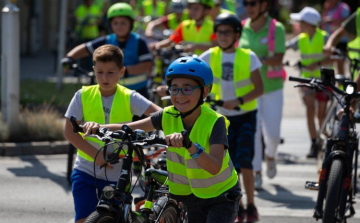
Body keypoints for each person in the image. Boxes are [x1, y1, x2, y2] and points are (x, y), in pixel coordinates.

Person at [82, 56, 242, 223]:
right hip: (189, 196)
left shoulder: (215, 122)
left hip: (220, 197)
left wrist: (190, 145)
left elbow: (215, 167)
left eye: (187, 89)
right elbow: (130, 126)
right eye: (174, 88)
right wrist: (99, 127)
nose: (179, 95)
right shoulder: (167, 114)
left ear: (205, 91)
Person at [63, 45, 161, 223]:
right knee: (84, 219)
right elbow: (69, 132)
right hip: (86, 169)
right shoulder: (82, 95)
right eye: (100, 72)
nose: (104, 77)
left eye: (111, 72)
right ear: (94, 70)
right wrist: (97, 156)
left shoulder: (130, 96)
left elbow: (159, 116)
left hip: (118, 174)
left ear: (121, 71)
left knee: (116, 218)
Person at [199, 13, 263, 223]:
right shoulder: (209, 55)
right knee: (228, 163)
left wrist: (239, 100)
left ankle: (251, 205)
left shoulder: (248, 56)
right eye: (219, 32)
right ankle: (239, 205)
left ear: (237, 34)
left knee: (246, 161)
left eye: (227, 32)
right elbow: (193, 77)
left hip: (245, 115)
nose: (223, 36)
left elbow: (259, 88)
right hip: (219, 119)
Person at [238, 0, 286, 189]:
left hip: (272, 88)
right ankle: (257, 172)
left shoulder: (277, 28)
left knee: (272, 135)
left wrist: (257, 59)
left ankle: (271, 156)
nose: (249, 7)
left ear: (264, 5)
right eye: (246, 3)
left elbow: (280, 57)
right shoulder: (241, 27)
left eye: (253, 3)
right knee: (254, 133)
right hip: (249, 90)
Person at [62, 3, 153, 100]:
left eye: (123, 23)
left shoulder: (139, 41)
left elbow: (147, 64)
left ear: (131, 24)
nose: (119, 26)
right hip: (111, 93)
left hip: (137, 93)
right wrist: (69, 58)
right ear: (110, 25)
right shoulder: (106, 40)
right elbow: (85, 48)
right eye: (115, 23)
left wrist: (125, 72)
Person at [286, 7, 335, 158]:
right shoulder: (301, 38)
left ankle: (322, 139)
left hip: (324, 80)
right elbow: (285, 47)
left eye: (301, 22)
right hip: (307, 80)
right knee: (309, 107)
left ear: (308, 23)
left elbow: (333, 56)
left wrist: (317, 63)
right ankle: (314, 142)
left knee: (321, 114)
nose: (298, 24)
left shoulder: (325, 37)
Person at [149, 0, 217, 56]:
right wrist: (157, 45)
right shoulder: (184, 25)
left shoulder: (213, 26)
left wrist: (196, 46)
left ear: (206, 10)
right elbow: (171, 41)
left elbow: (216, 46)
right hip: (188, 64)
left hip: (207, 64)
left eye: (196, 8)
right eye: (191, 8)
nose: (192, 11)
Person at [324, 7, 360, 80]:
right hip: (356, 70)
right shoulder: (358, 15)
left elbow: (343, 20)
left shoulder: (344, 8)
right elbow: (339, 33)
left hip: (343, 43)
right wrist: (329, 45)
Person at [321, 0, 350, 76]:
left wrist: (332, 20)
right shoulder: (329, 7)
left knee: (339, 65)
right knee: (328, 65)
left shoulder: (344, 7)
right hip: (329, 40)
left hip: (340, 41)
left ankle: (341, 86)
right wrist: (325, 9)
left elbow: (346, 22)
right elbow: (322, 20)